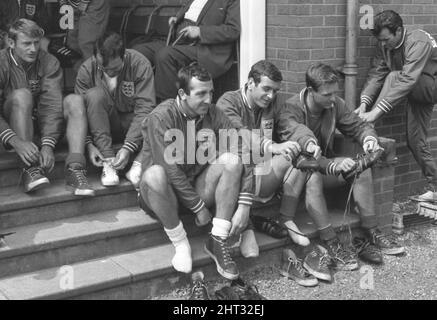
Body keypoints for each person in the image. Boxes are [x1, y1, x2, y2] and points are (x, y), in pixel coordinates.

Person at [216, 60, 351, 287]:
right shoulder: (228, 101)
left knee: (302, 156)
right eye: (266, 89)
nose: (271, 96)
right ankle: (252, 225)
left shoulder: (275, 105)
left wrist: (307, 141)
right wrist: (272, 147)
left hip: (265, 176)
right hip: (234, 178)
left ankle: (286, 220)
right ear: (250, 83)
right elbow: (239, 134)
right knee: (243, 160)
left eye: (275, 90)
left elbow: (290, 124)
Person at [285, 63, 405, 280]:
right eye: (327, 94)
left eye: (335, 93)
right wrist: (330, 163)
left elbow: (357, 126)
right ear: (311, 91)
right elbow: (298, 143)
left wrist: (369, 139)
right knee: (311, 174)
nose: (333, 98)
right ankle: (330, 241)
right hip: (294, 177)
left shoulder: (334, 105)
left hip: (325, 167)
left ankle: (372, 230)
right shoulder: (291, 108)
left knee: (360, 167)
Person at [138, 64, 253, 280]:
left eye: (211, 92)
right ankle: (181, 243)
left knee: (233, 160)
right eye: (201, 93)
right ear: (182, 94)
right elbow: (169, 169)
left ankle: (217, 240)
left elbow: (243, 151)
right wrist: (199, 207)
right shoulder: (161, 117)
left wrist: (245, 203)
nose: (208, 99)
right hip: (162, 194)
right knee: (155, 174)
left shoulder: (213, 112)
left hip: (194, 185)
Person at [0, 19, 94, 196]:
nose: (33, 49)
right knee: (22, 95)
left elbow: (52, 105)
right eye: (26, 44)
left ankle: (75, 170)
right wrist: (16, 142)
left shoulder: (49, 61)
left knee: (74, 100)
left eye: (36, 43)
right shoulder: (1, 62)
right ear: (11, 43)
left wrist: (48, 144)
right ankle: (29, 169)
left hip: (43, 127)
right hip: (13, 129)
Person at [357, 10, 437, 202]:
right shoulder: (384, 45)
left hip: (431, 86)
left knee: (395, 76)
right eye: (381, 41)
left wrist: (373, 114)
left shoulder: (418, 41)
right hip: (413, 89)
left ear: (399, 31)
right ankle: (436, 188)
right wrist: (363, 104)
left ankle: (367, 127)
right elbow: (376, 74)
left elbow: (408, 79)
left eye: (386, 39)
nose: (383, 44)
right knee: (415, 140)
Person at [75, 31, 155, 188]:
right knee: (94, 95)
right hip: (99, 127)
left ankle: (137, 166)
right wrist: (89, 145)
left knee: (163, 115)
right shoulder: (86, 69)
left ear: (124, 56)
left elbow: (145, 108)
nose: (108, 72)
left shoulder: (139, 64)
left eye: (114, 69)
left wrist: (128, 147)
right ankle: (109, 162)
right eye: (103, 68)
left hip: (131, 126)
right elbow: (79, 114)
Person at [132, 0, 240, 102]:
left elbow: (233, 30)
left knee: (164, 55)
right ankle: (140, 101)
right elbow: (190, 14)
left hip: (204, 48)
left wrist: (200, 32)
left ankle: (168, 108)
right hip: (179, 40)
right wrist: (177, 19)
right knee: (138, 51)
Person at [58, 0, 110, 70]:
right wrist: (63, 3)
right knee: (72, 45)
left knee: (86, 43)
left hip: (93, 3)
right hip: (72, 4)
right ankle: (84, 76)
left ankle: (93, 76)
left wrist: (84, 2)